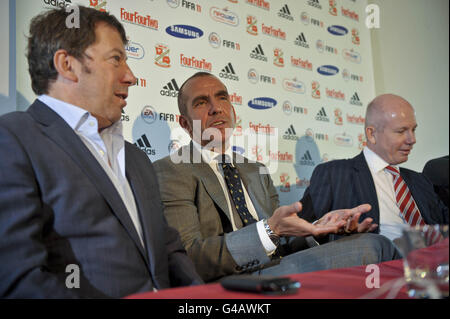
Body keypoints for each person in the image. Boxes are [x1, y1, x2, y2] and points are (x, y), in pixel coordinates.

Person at [0, 6, 202, 298]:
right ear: (67, 65)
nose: (131, 77)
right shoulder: (13, 138)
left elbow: (168, 249)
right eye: (116, 59)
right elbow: (19, 279)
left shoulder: (135, 157)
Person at [153, 72, 400, 282]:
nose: (216, 107)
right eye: (201, 102)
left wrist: (315, 231)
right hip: (233, 281)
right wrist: (269, 230)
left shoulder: (256, 170)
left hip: (276, 268)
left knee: (369, 240)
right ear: (184, 124)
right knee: (376, 247)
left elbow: (281, 242)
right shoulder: (172, 170)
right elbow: (187, 258)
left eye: (222, 97)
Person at [301, 94, 448, 242]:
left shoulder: (420, 181)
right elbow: (298, 234)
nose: (412, 140)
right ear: (371, 134)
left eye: (413, 130)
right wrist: (319, 229)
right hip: (379, 260)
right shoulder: (334, 174)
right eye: (401, 131)